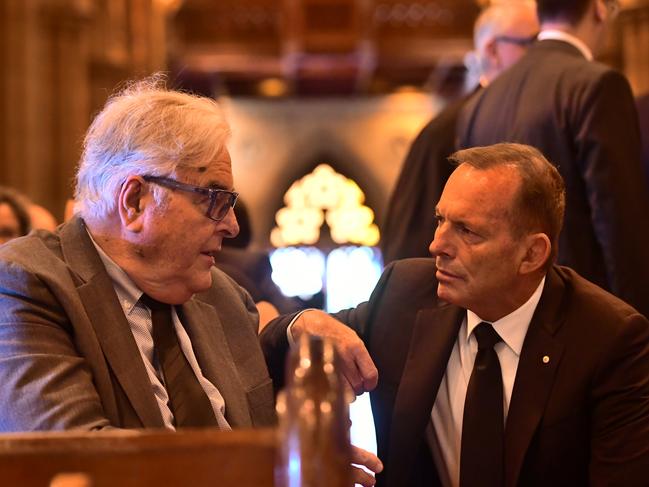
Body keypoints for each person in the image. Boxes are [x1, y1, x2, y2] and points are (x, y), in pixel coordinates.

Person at [262, 143, 649, 487]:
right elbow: (265, 357)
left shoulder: (610, 340)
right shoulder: (407, 295)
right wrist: (302, 323)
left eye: (467, 231)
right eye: (440, 220)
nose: (436, 245)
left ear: (532, 254)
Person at [457, 0, 649, 316]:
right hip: (581, 317)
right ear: (599, 9)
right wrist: (638, 323)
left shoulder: (480, 103)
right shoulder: (597, 85)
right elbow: (618, 222)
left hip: (501, 317)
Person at [381, 1, 539, 264]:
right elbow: (408, 248)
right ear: (492, 51)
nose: (543, 58)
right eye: (531, 44)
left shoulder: (531, 118)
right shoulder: (447, 131)